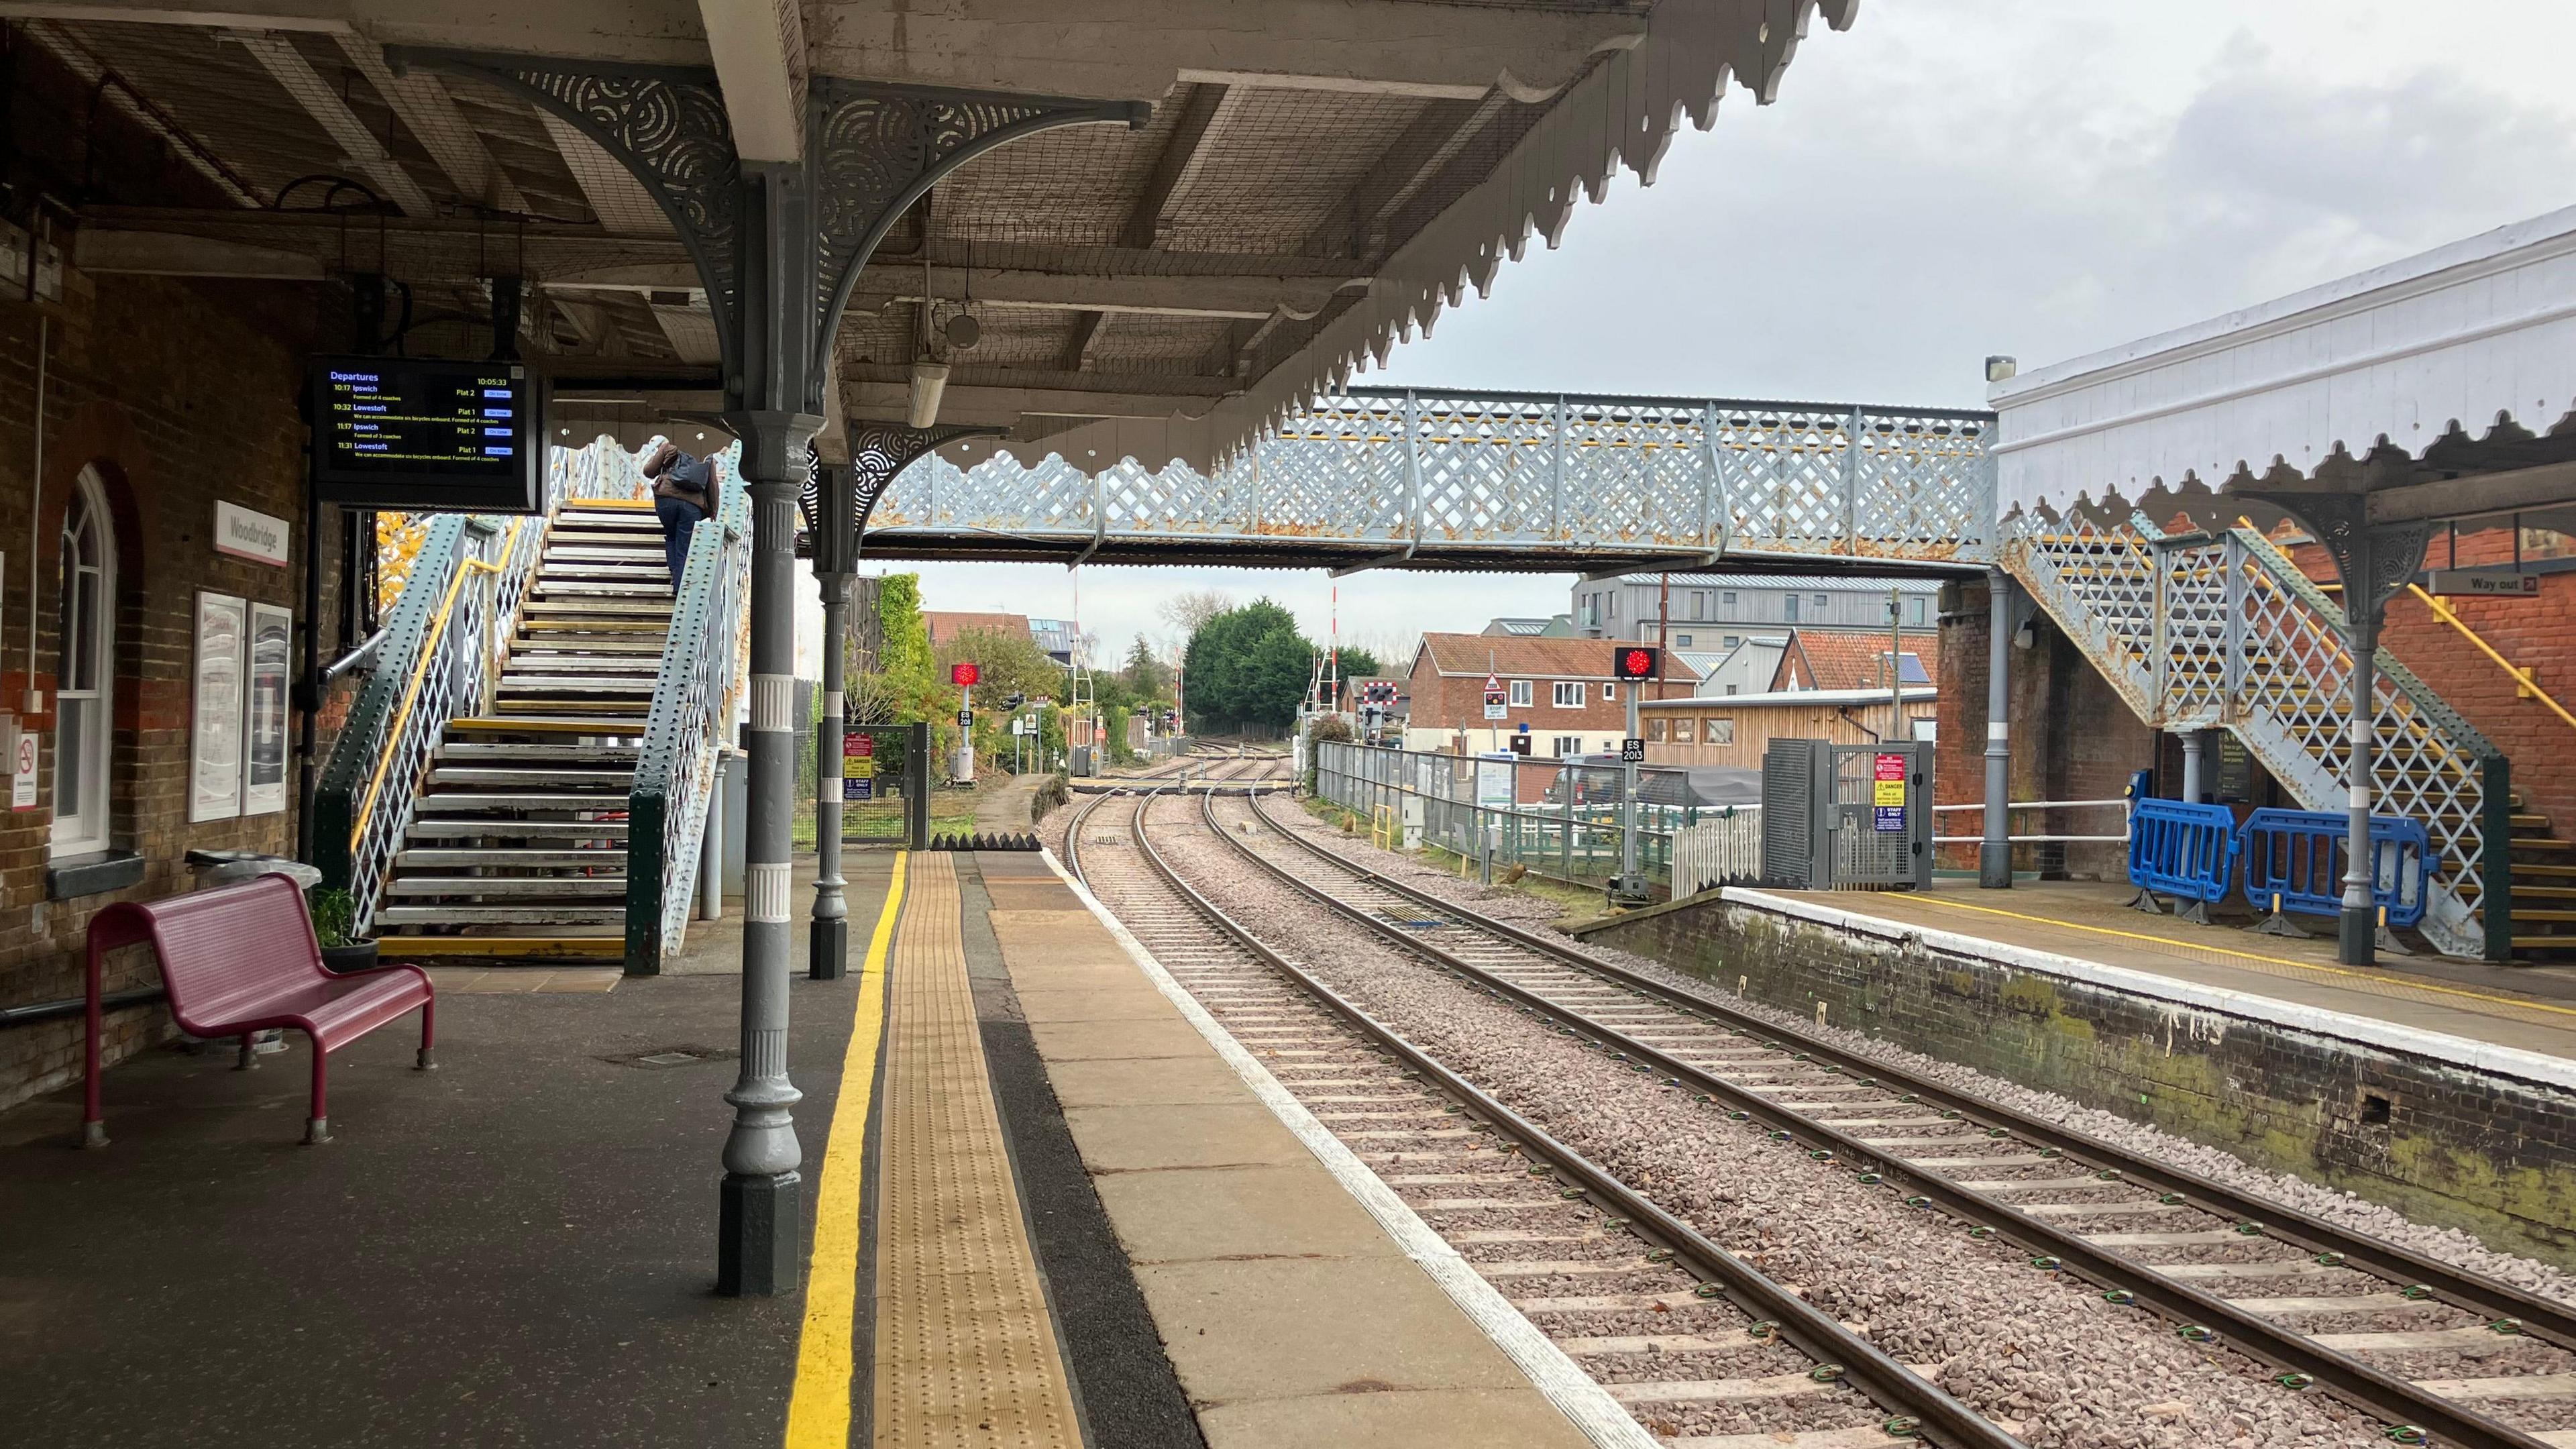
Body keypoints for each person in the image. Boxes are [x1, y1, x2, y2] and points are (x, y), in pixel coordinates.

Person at [644, 440, 716, 586]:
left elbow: (649, 472)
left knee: (671, 536)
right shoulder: (708, 450)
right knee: (684, 544)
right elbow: (712, 483)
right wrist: (713, 510)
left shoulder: (670, 445)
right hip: (692, 504)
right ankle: (679, 584)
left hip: (666, 499)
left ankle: (674, 572)